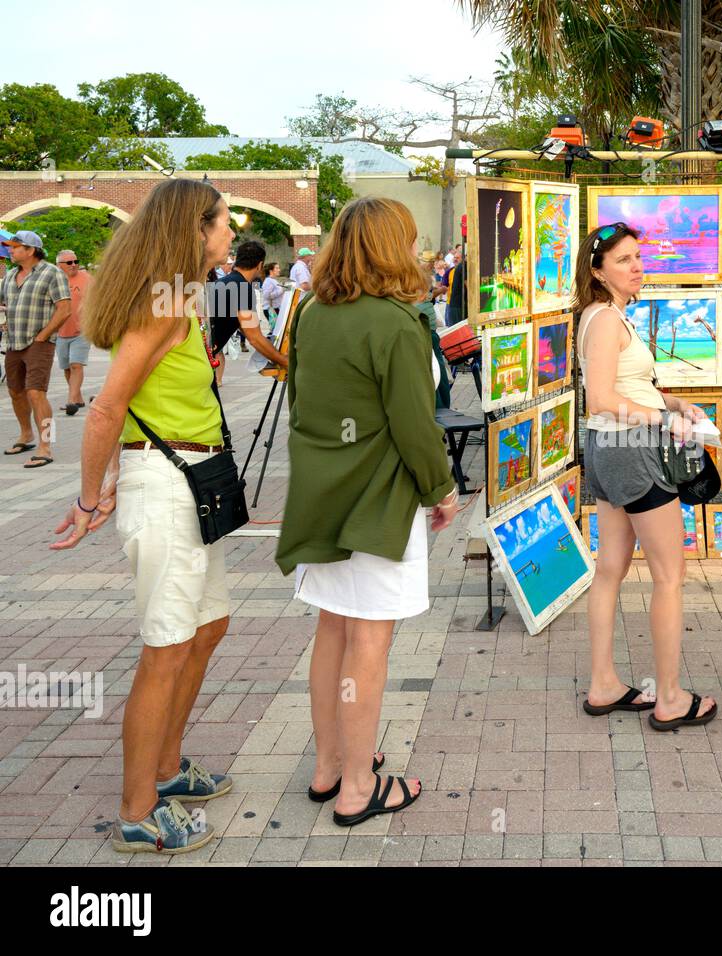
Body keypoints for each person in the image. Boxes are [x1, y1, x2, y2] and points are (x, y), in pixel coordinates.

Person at [51, 178, 240, 854]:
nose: (231, 233)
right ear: (196, 228)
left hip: (195, 483)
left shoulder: (182, 300)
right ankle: (137, 810)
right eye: (223, 223)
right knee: (165, 648)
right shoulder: (165, 307)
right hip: (164, 486)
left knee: (207, 626)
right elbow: (106, 407)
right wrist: (88, 496)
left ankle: (166, 768)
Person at [275, 197, 458, 828]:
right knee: (370, 640)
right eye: (407, 240)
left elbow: (300, 399)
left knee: (333, 629)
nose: (416, 251)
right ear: (388, 248)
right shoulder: (395, 321)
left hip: (323, 494)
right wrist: (441, 489)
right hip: (379, 497)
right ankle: (358, 785)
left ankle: (331, 765)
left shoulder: (314, 313)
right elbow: (414, 422)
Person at [576, 222, 718, 731]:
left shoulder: (606, 317)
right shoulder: (608, 321)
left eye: (638, 257)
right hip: (631, 449)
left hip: (608, 449)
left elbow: (624, 385)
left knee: (610, 569)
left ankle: (604, 683)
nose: (637, 266)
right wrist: (666, 419)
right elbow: (602, 399)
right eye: (623, 260)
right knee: (669, 576)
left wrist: (675, 401)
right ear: (598, 271)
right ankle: (671, 697)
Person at [1, 230, 71, 468]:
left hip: (39, 344)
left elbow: (64, 309)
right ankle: (26, 435)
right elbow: (4, 303)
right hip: (13, 342)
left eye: (14, 247)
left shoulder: (52, 273)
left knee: (35, 392)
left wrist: (43, 336)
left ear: (30, 250)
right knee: (15, 391)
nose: (10, 250)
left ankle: (46, 445)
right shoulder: (11, 276)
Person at [208, 239, 286, 384]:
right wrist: (284, 361)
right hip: (203, 360)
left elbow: (241, 325)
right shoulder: (242, 288)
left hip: (198, 356)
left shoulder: (223, 282)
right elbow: (254, 337)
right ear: (260, 265)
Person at [55, 250, 94, 415]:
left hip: (82, 331)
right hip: (60, 331)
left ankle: (71, 401)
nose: (74, 265)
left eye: (75, 261)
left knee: (76, 365)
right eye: (69, 263)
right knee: (67, 368)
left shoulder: (87, 278)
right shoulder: (54, 280)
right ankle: (77, 397)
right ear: (59, 265)